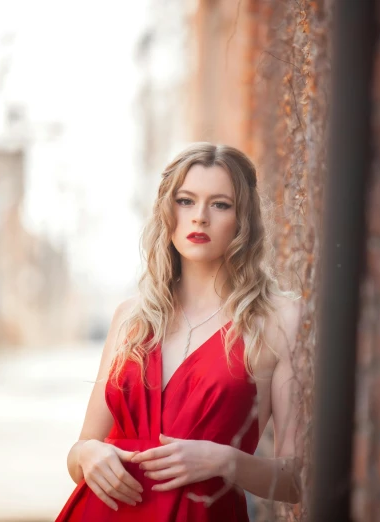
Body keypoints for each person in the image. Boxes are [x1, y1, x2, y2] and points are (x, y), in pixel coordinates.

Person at [55, 142, 302, 521]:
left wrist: (226, 460)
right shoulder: (131, 318)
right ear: (167, 211)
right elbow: (79, 453)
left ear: (243, 218)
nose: (199, 217)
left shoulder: (280, 318)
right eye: (185, 201)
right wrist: (88, 454)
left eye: (220, 204)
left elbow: (295, 480)